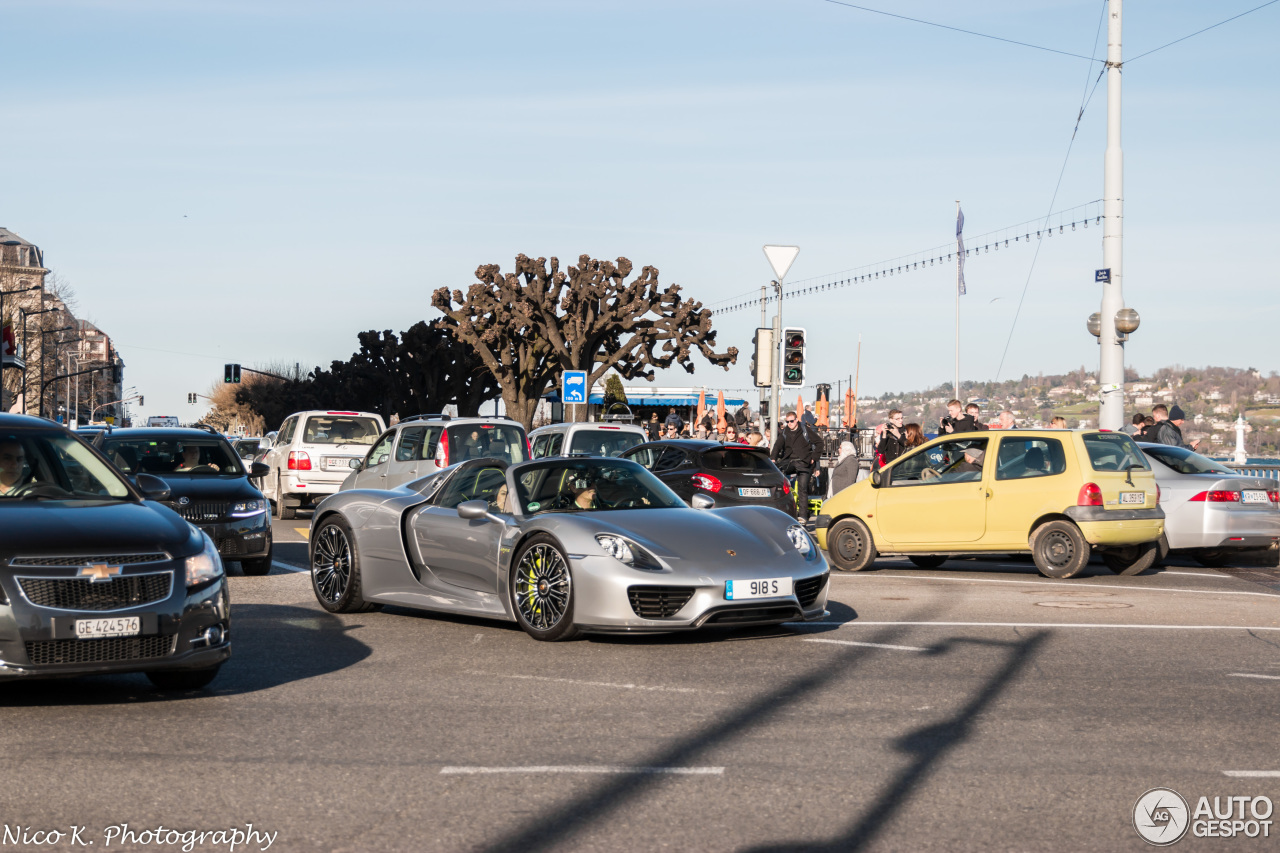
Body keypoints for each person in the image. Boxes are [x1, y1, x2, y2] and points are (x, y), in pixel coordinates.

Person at [771, 410, 819, 522]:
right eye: (787, 422)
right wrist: (773, 457)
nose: (789, 424)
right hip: (789, 462)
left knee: (803, 488)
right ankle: (780, 511)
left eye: (791, 421)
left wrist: (813, 458)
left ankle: (803, 516)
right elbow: (777, 445)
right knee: (778, 480)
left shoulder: (805, 430)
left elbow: (819, 443)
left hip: (804, 462)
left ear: (796, 420)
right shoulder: (785, 432)